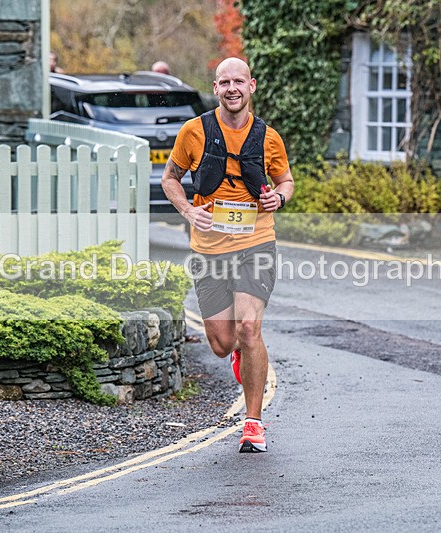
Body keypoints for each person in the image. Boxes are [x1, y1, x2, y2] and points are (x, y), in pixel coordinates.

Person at [162, 57, 294, 453]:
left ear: (251, 86)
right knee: (222, 343)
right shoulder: (193, 132)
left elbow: (285, 180)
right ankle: (240, 353)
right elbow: (171, 178)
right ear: (215, 88)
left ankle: (253, 423)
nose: (232, 88)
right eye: (224, 82)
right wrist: (188, 210)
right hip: (209, 250)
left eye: (239, 81)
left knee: (250, 328)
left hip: (256, 243)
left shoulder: (268, 137)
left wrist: (278, 198)